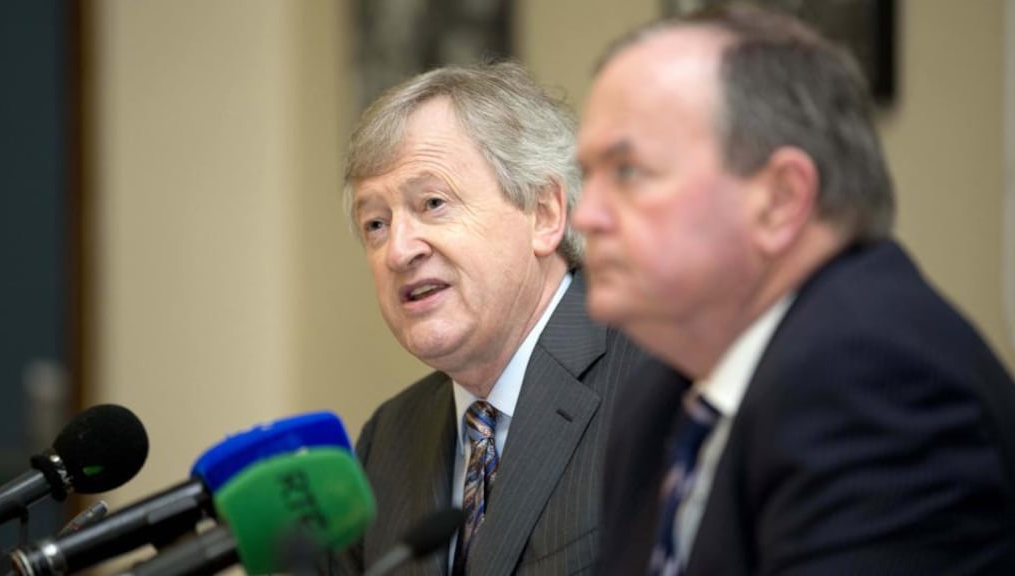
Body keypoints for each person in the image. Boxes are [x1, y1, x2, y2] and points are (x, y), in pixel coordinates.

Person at [573, 4, 1015, 575]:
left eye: (628, 172)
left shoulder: (869, 377)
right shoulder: (658, 396)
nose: (586, 215)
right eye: (588, 176)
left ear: (780, 200)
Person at [335, 61, 648, 575]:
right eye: (375, 224)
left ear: (544, 213)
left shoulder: (658, 379)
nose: (398, 251)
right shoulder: (386, 440)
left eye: (433, 203)